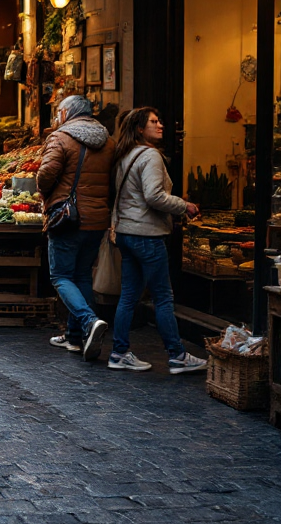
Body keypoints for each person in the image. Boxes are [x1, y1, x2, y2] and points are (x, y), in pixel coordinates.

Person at [106, 107, 207, 374]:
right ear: (140, 129)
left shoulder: (125, 155)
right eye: (153, 122)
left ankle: (119, 352)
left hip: (127, 233)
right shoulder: (150, 155)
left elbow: (122, 197)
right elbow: (154, 196)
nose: (160, 125)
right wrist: (184, 205)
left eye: (160, 120)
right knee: (163, 297)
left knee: (128, 296)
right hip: (146, 236)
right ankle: (177, 356)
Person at [37, 95, 114, 360]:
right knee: (82, 275)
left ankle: (88, 322)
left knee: (60, 276)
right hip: (97, 219)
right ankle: (75, 338)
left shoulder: (60, 138)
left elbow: (45, 175)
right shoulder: (109, 141)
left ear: (67, 112)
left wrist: (47, 196)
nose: (58, 116)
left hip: (68, 218)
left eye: (59, 112)